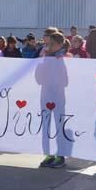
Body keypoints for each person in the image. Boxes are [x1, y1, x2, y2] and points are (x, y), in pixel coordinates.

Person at [38, 30, 69, 169]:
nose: (48, 46)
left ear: (60, 45)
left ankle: (60, 156)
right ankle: (48, 154)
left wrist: (56, 69)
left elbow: (66, 81)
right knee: (45, 126)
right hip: (45, 95)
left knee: (58, 125)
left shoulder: (65, 58)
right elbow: (38, 78)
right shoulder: (44, 57)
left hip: (58, 96)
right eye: (48, 44)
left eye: (52, 44)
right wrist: (42, 66)